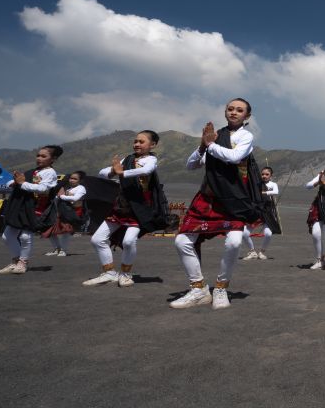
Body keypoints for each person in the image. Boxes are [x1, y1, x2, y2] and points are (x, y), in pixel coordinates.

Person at [171, 98, 280, 310]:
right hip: (208, 198)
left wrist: (210, 144)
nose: (234, 112)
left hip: (234, 200)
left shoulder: (245, 136)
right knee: (182, 241)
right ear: (225, 112)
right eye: (230, 109)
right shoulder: (216, 136)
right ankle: (198, 288)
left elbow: (234, 156)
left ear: (247, 116)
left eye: (239, 110)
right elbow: (191, 165)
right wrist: (203, 145)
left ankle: (221, 287)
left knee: (233, 243)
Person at [83, 131, 166, 287]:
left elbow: (146, 170)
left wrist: (122, 172)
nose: (137, 144)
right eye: (135, 141)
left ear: (152, 145)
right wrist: (113, 171)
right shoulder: (127, 159)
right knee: (97, 239)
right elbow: (102, 173)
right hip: (121, 207)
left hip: (140, 208)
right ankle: (109, 272)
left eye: (141, 141)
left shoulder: (151, 159)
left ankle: (126, 274)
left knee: (128, 242)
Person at [0, 145, 61, 274]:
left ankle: (23, 262)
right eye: (38, 155)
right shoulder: (33, 171)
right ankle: (15, 261)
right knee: (6, 236)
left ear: (53, 159)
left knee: (25, 236)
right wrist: (15, 182)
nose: (39, 158)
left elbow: (43, 189)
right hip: (21, 207)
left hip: (35, 208)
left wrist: (22, 183)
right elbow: (12, 183)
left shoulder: (50, 173)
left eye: (44, 156)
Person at [42, 170, 87, 257]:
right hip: (61, 212)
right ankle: (57, 249)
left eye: (75, 179)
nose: (72, 180)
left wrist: (61, 196)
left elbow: (75, 198)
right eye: (71, 178)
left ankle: (63, 250)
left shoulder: (81, 188)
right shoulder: (68, 188)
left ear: (80, 180)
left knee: (66, 231)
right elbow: (59, 198)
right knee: (50, 230)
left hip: (72, 213)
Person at [242, 167, 279, 260]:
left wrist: (265, 192)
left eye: (267, 174)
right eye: (262, 174)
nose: (264, 176)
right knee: (245, 233)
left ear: (271, 175)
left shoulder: (273, 184)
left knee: (268, 234)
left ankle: (262, 252)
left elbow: (276, 192)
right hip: (257, 210)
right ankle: (252, 251)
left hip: (267, 211)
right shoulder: (257, 185)